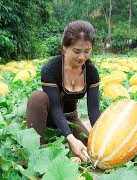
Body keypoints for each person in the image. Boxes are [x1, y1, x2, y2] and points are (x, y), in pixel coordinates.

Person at [26, 20, 100, 162]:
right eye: (77, 51)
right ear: (65, 47)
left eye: (87, 51)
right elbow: (55, 108)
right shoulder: (50, 69)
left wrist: (102, 138)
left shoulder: (91, 72)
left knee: (89, 149)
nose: (82, 57)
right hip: (48, 116)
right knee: (37, 97)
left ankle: (67, 139)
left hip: (70, 118)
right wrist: (71, 138)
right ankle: (35, 150)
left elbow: (94, 111)